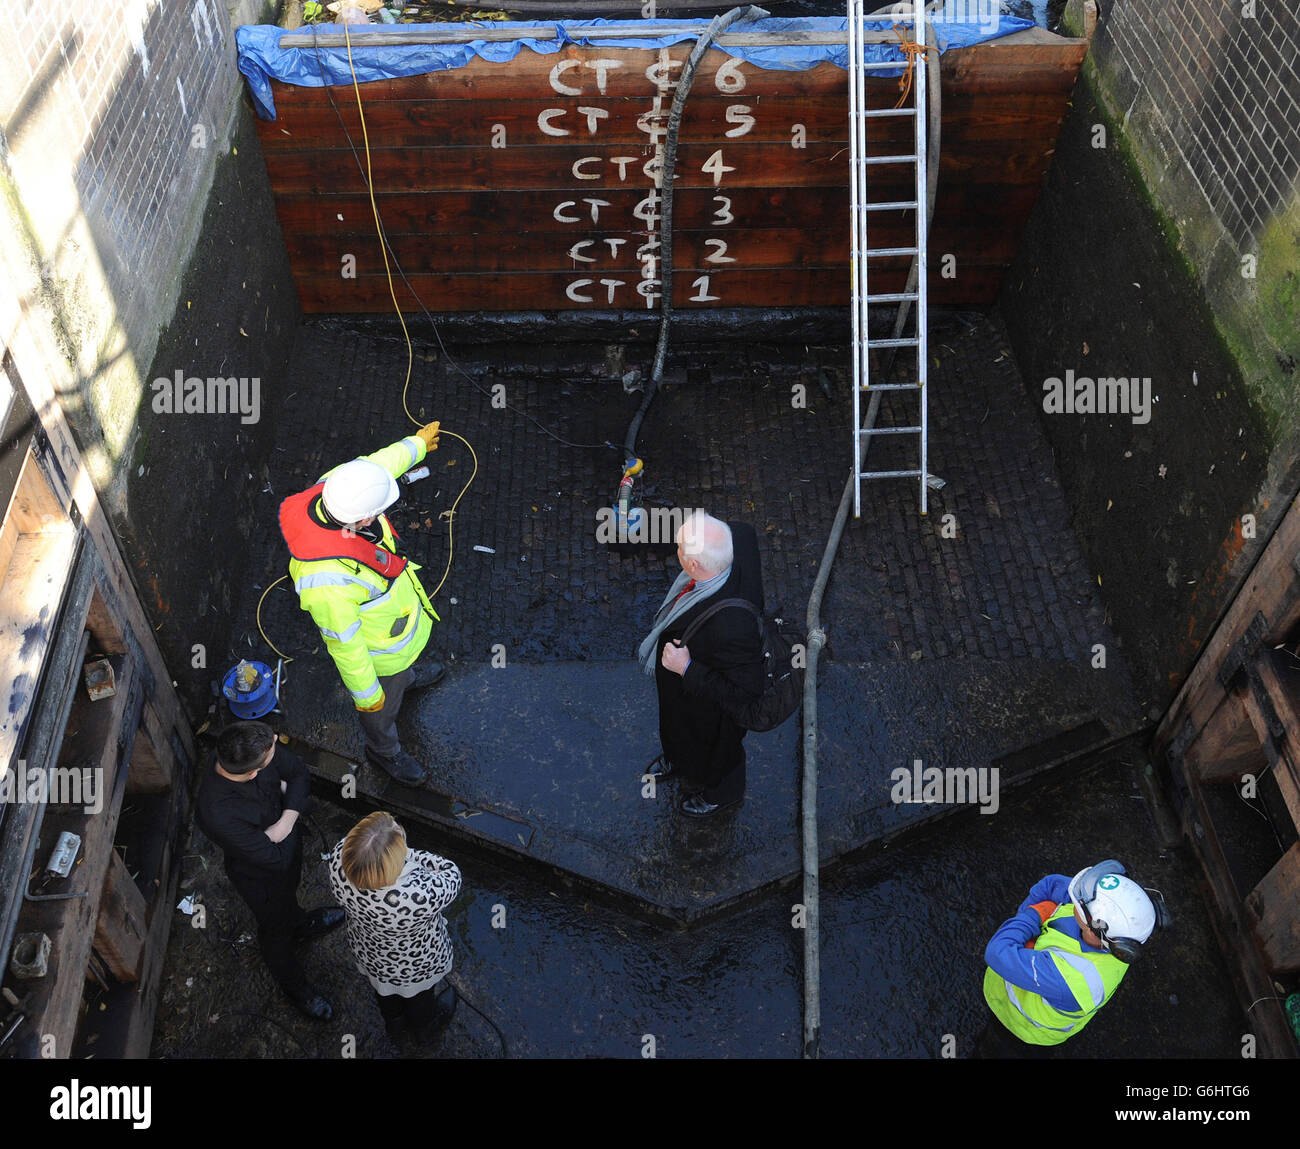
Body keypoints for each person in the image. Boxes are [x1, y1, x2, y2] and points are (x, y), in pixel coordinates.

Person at [279, 425, 446, 785]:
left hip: (396, 632)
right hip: (380, 656)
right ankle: (384, 751)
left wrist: (414, 446)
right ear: (366, 519)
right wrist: (367, 694)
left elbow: (375, 466)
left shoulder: (338, 488)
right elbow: (345, 642)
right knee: (381, 710)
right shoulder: (326, 582)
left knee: (400, 677)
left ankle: (407, 677)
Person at [195, 721, 344, 1020]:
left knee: (290, 895)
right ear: (253, 772)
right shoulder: (217, 812)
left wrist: (285, 821)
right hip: (258, 876)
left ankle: (301, 925)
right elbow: (274, 858)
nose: (277, 750)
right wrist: (291, 803)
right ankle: (296, 987)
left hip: (283, 847)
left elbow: (298, 772)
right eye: (272, 754)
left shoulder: (253, 745)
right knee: (275, 930)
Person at [637, 510, 765, 817]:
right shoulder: (739, 536)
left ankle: (723, 794)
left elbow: (747, 690)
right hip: (681, 694)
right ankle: (678, 759)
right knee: (677, 726)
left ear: (693, 565)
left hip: (710, 706)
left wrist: (687, 669)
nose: (676, 551)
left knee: (719, 749)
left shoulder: (734, 628)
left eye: (680, 549)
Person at [979, 860, 1160, 1055]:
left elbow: (997, 951)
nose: (1075, 896)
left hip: (1022, 1029)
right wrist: (1022, 944)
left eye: (1080, 904)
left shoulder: (1074, 979)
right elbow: (1051, 884)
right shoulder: (1115, 935)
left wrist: (1035, 915)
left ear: (1094, 930)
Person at [328, 811, 462, 1044]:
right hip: (414, 962)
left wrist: (392, 851)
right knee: (419, 997)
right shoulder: (415, 895)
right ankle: (425, 1029)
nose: (397, 826)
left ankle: (395, 1024)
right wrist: (408, 853)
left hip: (370, 949)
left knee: (383, 990)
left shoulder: (338, 859)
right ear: (393, 861)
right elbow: (452, 873)